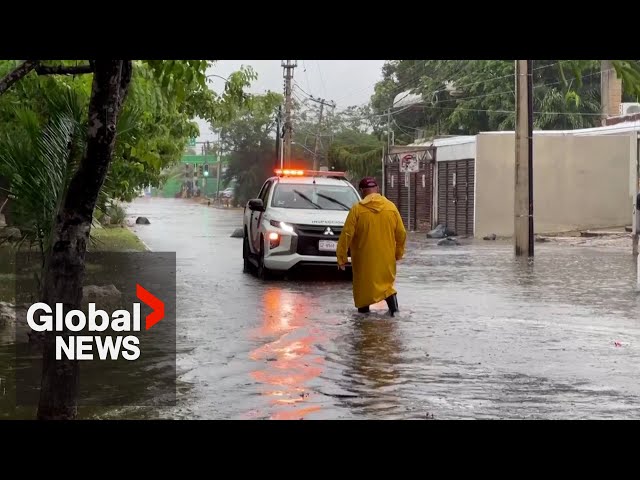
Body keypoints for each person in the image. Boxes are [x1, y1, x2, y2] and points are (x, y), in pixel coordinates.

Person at [336, 176, 407, 316]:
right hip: (386, 258)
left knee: (363, 290)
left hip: (364, 259)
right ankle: (394, 312)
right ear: (378, 189)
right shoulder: (391, 208)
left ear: (362, 191)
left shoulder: (357, 210)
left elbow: (346, 235)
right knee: (387, 286)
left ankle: (363, 320)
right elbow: (401, 233)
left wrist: (341, 257)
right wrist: (398, 253)